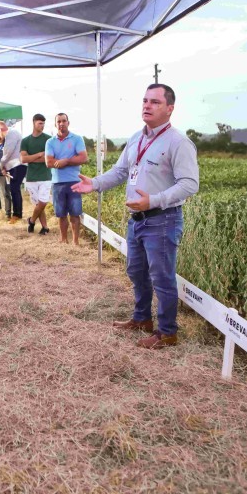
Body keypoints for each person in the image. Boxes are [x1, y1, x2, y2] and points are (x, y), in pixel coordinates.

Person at [73, 84, 199, 349]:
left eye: (154, 102)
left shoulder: (178, 142)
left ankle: (167, 332)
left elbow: (189, 184)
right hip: (138, 220)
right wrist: (94, 183)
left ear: (170, 108)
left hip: (163, 219)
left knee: (162, 277)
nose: (147, 106)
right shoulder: (136, 138)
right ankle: (142, 319)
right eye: (144, 100)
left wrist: (152, 200)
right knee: (137, 271)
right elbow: (120, 173)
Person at [45, 113, 88, 245]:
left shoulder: (77, 139)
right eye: (59, 121)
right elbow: (49, 162)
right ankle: (63, 240)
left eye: (64, 121)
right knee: (61, 214)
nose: (61, 123)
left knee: (75, 213)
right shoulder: (50, 142)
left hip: (74, 181)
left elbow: (83, 158)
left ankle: (75, 242)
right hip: (58, 182)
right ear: (55, 124)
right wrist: (70, 160)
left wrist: (65, 161)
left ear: (68, 123)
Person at [21, 113, 52, 235]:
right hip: (31, 177)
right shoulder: (25, 141)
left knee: (43, 202)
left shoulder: (48, 139)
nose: (42, 125)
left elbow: (49, 158)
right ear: (34, 123)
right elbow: (23, 159)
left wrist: (31, 158)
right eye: (40, 123)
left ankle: (32, 220)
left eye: (43, 123)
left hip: (45, 176)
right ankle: (45, 227)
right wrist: (40, 155)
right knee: (39, 204)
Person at [0, 121, 27, 224]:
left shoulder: (11, 134)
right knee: (14, 189)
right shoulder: (11, 135)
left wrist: (1, 164)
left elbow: (8, 152)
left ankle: (17, 214)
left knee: (14, 189)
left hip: (18, 165)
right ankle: (17, 214)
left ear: (0, 129)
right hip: (15, 165)